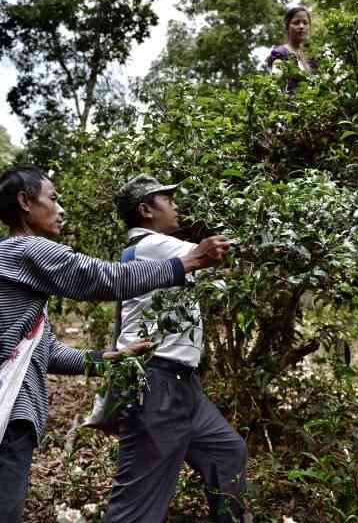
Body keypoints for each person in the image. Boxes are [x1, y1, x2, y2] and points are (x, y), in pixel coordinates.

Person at [0, 166, 231, 523]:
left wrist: (106, 357)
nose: (61, 209)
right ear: (26, 203)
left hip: (2, 411)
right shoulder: (24, 249)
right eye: (53, 199)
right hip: (6, 411)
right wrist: (191, 260)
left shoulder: (5, 257)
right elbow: (103, 278)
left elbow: (46, 351)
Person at [104, 174, 247, 523]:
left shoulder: (154, 247)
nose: (176, 206)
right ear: (146, 210)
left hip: (183, 385)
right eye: (167, 200)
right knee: (137, 504)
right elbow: (215, 254)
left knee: (227, 453)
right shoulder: (151, 245)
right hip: (156, 384)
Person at [266, 5, 317, 92]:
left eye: (305, 23)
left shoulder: (310, 57)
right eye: (296, 23)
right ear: (287, 26)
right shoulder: (280, 53)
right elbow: (276, 87)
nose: (301, 26)